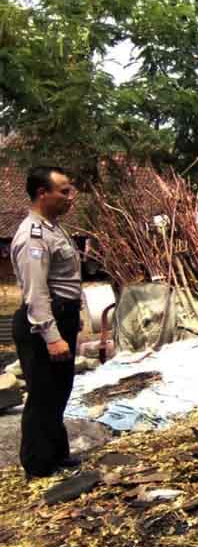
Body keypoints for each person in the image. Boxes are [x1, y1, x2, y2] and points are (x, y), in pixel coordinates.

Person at [11, 165, 82, 479]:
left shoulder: (53, 227)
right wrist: (52, 336)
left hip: (59, 317)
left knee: (59, 391)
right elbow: (37, 293)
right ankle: (38, 466)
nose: (71, 197)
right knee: (42, 395)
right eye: (64, 191)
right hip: (40, 324)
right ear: (43, 193)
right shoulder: (33, 237)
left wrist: (71, 320)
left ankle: (56, 454)